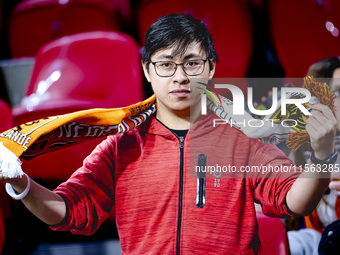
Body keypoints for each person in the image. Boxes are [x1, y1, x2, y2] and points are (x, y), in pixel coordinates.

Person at [0, 14, 338, 254]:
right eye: (166, 64)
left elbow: (295, 200)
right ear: (148, 70)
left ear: (211, 68)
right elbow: (67, 211)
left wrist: (322, 156)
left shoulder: (242, 138)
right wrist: (20, 184)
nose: (179, 76)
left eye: (192, 63)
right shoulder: (121, 147)